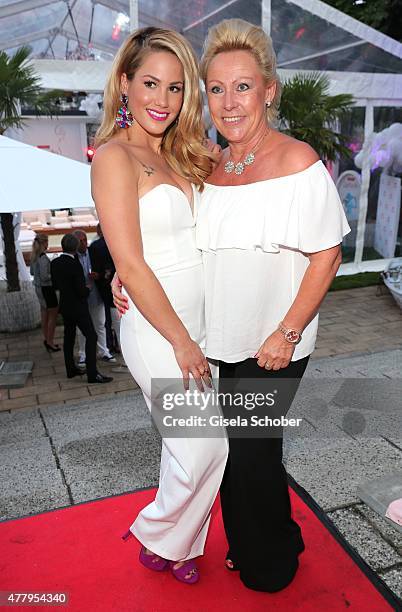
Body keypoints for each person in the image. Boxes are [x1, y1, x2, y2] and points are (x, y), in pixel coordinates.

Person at [112, 19, 350, 593]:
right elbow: (167, 235)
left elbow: (328, 255)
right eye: (216, 89)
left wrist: (287, 332)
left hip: (273, 342)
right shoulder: (209, 164)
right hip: (212, 335)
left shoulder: (298, 163)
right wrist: (123, 276)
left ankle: (269, 563)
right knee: (247, 451)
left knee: (249, 454)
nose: (229, 101)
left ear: (269, 91)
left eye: (243, 87)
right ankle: (270, 539)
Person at [91, 26, 228, 585]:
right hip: (157, 327)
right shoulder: (114, 158)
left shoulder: (182, 152)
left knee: (193, 446)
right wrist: (181, 340)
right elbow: (132, 265)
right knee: (204, 448)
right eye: (150, 83)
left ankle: (179, 544)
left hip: (199, 323)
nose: (162, 100)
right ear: (124, 83)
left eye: (175, 89)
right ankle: (156, 530)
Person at [50, 233, 113, 385]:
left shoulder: (55, 263)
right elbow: (81, 291)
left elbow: (55, 285)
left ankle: (70, 369)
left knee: (69, 338)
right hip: (78, 307)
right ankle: (92, 374)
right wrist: (87, 288)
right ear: (75, 247)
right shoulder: (75, 264)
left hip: (65, 306)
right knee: (91, 336)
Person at [73, 230, 117, 365]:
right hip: (81, 297)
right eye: (80, 241)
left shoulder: (94, 251)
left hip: (97, 294)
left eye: (85, 240)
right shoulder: (72, 257)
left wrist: (99, 275)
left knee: (100, 324)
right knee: (82, 328)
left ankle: (104, 351)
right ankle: (83, 354)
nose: (84, 243)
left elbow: (106, 268)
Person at [88, 223, 120, 354]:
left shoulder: (95, 246)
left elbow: (93, 267)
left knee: (104, 320)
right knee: (116, 320)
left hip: (101, 286)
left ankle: (108, 344)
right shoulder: (116, 243)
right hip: (116, 285)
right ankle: (118, 344)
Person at [30, 233, 60, 352]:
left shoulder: (34, 256)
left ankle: (47, 339)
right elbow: (45, 277)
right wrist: (53, 275)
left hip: (38, 288)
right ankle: (50, 342)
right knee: (53, 315)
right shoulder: (43, 258)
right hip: (46, 289)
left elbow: (32, 273)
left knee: (44, 314)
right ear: (44, 243)